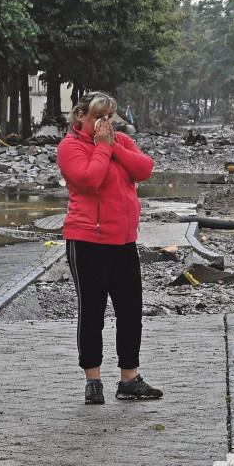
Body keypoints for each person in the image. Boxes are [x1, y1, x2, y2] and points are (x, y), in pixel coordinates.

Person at [58, 91, 162, 404]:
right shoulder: (70, 147)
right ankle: (93, 381)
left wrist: (113, 146)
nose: (105, 124)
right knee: (92, 313)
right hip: (87, 240)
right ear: (81, 117)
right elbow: (89, 179)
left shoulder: (119, 142)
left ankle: (129, 379)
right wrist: (102, 149)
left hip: (123, 241)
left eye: (109, 117)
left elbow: (144, 169)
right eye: (98, 117)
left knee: (130, 312)